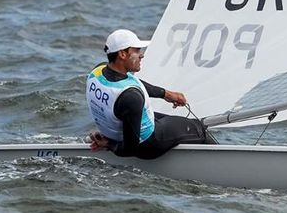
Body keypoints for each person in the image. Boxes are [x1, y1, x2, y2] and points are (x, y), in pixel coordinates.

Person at [86, 29, 212, 159]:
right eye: (137, 51)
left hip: (118, 129)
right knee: (198, 127)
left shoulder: (98, 71)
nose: (142, 55)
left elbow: (132, 83)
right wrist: (110, 144)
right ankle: (219, 163)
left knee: (177, 121)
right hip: (148, 145)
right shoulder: (131, 98)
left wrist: (166, 94)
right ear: (122, 54)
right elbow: (130, 149)